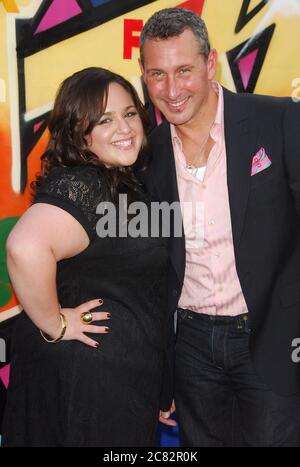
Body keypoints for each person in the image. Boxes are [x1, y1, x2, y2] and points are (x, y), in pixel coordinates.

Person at [139, 8, 300, 446]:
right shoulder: (145, 154)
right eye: (158, 74)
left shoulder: (278, 120)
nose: (172, 90)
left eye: (184, 70)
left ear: (210, 63)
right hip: (191, 347)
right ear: (143, 74)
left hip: (271, 334)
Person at [2, 67, 170, 447]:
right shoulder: (85, 184)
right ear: (80, 133)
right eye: (105, 120)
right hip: (83, 391)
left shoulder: (123, 182)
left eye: (129, 114)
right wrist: (56, 323)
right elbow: (24, 248)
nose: (125, 128)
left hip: (112, 386)